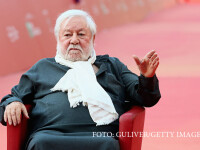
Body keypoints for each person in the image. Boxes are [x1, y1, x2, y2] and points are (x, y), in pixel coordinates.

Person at [0, 9, 161, 150]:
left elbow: (145, 98)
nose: (74, 40)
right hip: (49, 135)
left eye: (81, 34)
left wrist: (147, 78)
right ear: (58, 39)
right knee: (40, 142)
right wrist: (12, 103)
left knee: (107, 145)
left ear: (93, 37)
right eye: (68, 34)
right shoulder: (42, 67)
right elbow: (13, 97)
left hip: (99, 137)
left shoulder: (112, 66)